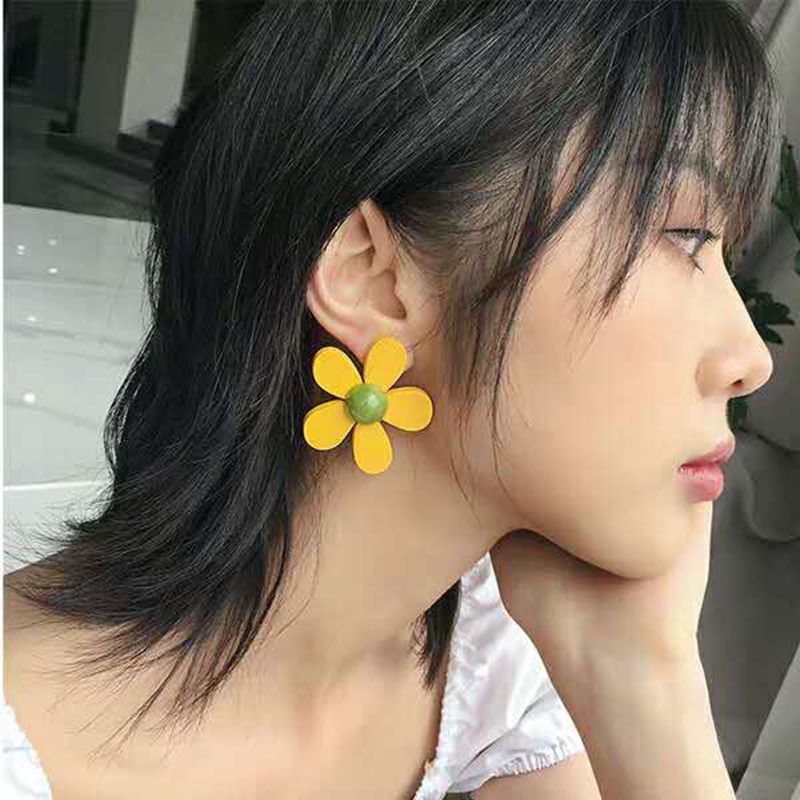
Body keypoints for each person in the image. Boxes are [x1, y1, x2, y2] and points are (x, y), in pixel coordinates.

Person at [2, 1, 780, 798]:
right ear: (369, 278)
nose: (750, 360)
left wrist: (646, 684)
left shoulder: (501, 678)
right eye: (684, 234)